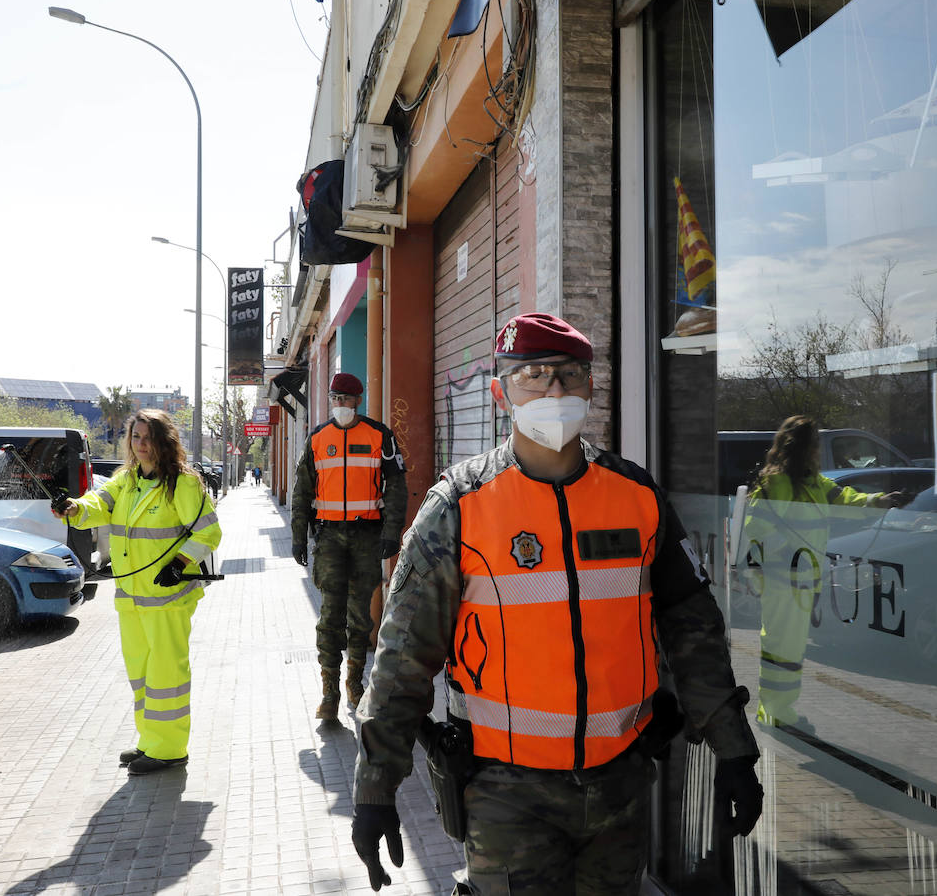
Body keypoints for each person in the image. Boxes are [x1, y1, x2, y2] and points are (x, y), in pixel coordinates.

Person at [350, 312, 764, 895]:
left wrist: (733, 748)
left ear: (591, 385)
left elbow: (692, 628)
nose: (553, 390)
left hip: (621, 787)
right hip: (506, 797)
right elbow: (403, 655)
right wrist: (375, 787)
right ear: (500, 392)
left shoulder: (636, 495)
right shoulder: (459, 508)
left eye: (569, 374)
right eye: (533, 375)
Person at [54, 409, 221, 775]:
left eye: (148, 437)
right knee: (142, 674)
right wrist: (74, 508)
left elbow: (208, 533)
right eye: (135, 437)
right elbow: (98, 504)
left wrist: (179, 563)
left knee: (167, 675)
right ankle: (150, 741)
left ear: (164, 441)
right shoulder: (125, 481)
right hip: (131, 597)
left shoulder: (182, 484)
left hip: (167, 597)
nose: (141, 445)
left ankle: (169, 748)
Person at [741, 415, 902, 729]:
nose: (818, 449)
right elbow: (757, 530)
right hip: (783, 579)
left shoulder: (811, 480)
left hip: (799, 579)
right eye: (814, 443)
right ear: (803, 447)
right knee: (781, 648)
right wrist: (787, 551)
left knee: (790, 647)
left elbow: (841, 497)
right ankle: (776, 713)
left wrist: (878, 500)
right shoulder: (780, 482)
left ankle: (777, 710)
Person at [291, 372, 408, 721]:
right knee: (330, 616)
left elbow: (397, 486)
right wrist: (298, 536)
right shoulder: (317, 439)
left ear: (358, 401)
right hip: (328, 538)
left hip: (366, 537)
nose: (340, 404)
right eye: (335, 398)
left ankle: (354, 684)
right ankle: (328, 692)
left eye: (346, 399)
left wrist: (392, 531)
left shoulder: (379, 436)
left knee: (360, 617)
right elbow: (301, 492)